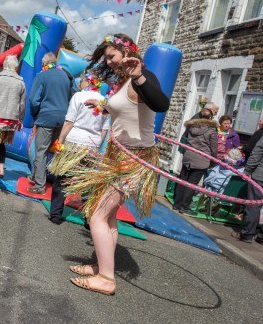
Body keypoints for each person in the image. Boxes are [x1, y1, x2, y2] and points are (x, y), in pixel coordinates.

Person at [65, 34, 169, 295]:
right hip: (116, 155)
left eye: (112, 56)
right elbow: (128, 110)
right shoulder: (124, 82)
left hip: (132, 159)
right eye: (106, 58)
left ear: (127, 51)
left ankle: (107, 279)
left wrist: (139, 76)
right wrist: (102, 104)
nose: (109, 62)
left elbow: (160, 103)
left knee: (97, 215)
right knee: (108, 215)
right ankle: (102, 266)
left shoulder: (142, 76)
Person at [47, 72, 110, 224]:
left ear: (85, 82)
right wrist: (96, 145)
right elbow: (104, 130)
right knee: (87, 181)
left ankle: (56, 214)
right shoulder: (105, 102)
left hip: (73, 142)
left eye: (81, 81)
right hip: (91, 145)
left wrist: (60, 140)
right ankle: (89, 219)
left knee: (62, 177)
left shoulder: (78, 97)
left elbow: (69, 121)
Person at [27, 52, 73, 195]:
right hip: (62, 118)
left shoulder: (42, 76)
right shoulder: (65, 76)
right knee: (49, 150)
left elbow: (34, 100)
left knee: (40, 151)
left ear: (44, 64)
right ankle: (37, 175)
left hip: (46, 117)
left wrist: (36, 116)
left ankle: (40, 185)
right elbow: (71, 95)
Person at [172, 108, 218, 214]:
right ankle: (184, 206)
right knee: (192, 183)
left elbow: (185, 138)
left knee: (182, 180)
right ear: (210, 117)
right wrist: (213, 161)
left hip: (188, 157)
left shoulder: (191, 127)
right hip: (201, 160)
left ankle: (177, 204)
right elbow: (214, 148)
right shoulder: (212, 130)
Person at [232, 136, 263, 244]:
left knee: (253, 205)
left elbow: (256, 154)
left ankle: (247, 234)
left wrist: (247, 171)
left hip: (260, 177)